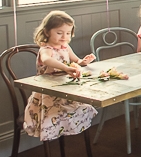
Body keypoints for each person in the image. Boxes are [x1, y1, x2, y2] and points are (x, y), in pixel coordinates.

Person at [22, 11, 97, 141]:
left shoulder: (65, 47)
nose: (64, 37)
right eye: (59, 33)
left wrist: (84, 61)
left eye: (68, 33)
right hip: (48, 93)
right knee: (58, 113)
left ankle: (67, 130)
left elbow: (76, 60)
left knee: (85, 107)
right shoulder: (46, 49)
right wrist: (65, 68)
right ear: (47, 32)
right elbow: (47, 60)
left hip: (65, 90)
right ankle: (53, 132)